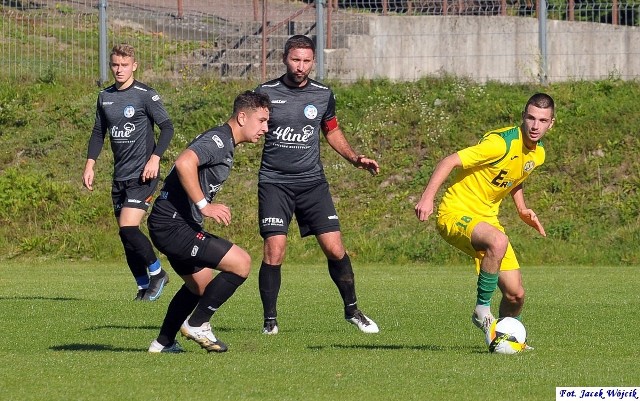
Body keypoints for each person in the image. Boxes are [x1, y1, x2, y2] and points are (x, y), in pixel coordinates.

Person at [254, 35, 380, 335]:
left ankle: (352, 311)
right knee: (275, 250)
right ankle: (269, 321)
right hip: (275, 183)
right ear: (284, 58)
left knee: (335, 249)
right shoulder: (266, 92)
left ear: (313, 61)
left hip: (312, 184)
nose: (300, 66)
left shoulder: (323, 94)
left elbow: (331, 130)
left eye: (306, 61)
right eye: (295, 59)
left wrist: (354, 158)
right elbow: (249, 124)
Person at [414, 93, 555, 342]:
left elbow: (514, 176)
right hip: (455, 212)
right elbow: (449, 161)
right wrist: (428, 197)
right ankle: (482, 310)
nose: (535, 126)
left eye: (542, 121)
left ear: (551, 123)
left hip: (488, 218)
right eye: (531, 118)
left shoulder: (538, 154)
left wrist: (522, 209)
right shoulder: (500, 144)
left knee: (516, 295)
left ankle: (503, 340)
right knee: (498, 241)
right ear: (523, 117)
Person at [147, 90, 271, 353]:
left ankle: (163, 342)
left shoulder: (224, 142)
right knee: (241, 263)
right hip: (172, 225)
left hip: (171, 223)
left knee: (200, 286)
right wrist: (204, 205)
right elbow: (184, 162)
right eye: (261, 121)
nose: (265, 128)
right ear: (241, 117)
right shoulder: (218, 139)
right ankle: (198, 324)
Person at [83, 43, 174, 301]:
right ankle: (143, 286)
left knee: (128, 227)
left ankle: (158, 274)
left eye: (124, 65)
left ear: (134, 65)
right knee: (126, 236)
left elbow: (167, 127)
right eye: (115, 65)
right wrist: (90, 163)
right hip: (119, 177)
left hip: (143, 175)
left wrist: (155, 158)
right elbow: (99, 132)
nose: (119, 70)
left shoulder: (145, 94)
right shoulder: (105, 97)